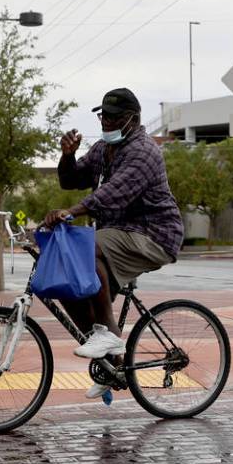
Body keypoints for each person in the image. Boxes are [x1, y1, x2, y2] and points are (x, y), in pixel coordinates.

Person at [41, 87, 184, 399]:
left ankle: (107, 336)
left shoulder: (143, 151)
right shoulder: (104, 150)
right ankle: (111, 363)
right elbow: (71, 179)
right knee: (68, 285)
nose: (104, 121)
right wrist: (67, 156)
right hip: (119, 234)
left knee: (87, 245)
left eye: (111, 117)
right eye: (102, 115)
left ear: (131, 120)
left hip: (154, 234)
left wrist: (71, 211)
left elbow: (113, 193)